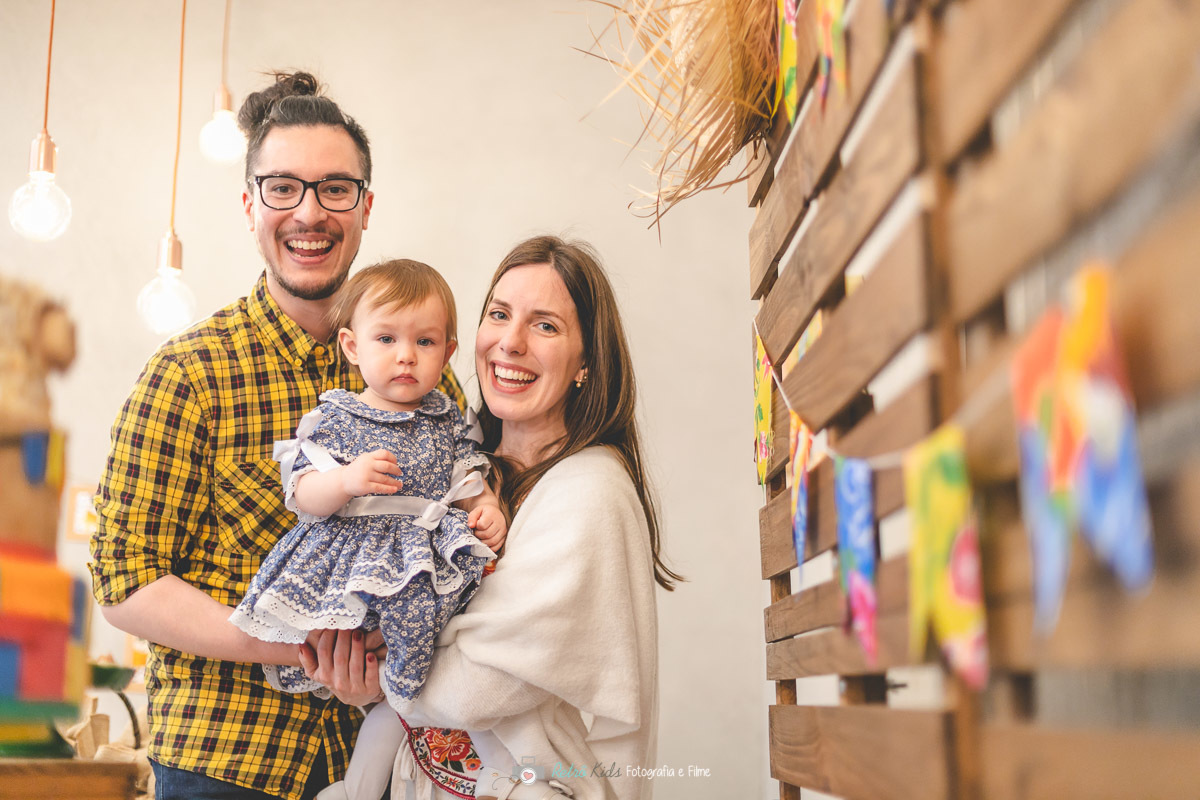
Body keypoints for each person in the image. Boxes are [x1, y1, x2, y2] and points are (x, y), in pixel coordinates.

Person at [90, 72, 464, 800]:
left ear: (364, 208)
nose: (309, 213)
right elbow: (122, 577)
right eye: (283, 188)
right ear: (250, 205)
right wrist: (297, 641)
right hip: (226, 759)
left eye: (335, 189)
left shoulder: (427, 377)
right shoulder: (188, 373)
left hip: (388, 756)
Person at [306, 236, 679, 800]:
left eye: (545, 326)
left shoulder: (590, 490)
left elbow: (480, 686)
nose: (510, 342)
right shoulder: (464, 470)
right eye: (499, 315)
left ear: (586, 362)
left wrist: (379, 663)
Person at [231, 259, 507, 709]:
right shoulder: (337, 417)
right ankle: (383, 696)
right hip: (348, 556)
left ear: (448, 351)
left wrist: (488, 506)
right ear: (352, 346)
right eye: (386, 339)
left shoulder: (446, 418)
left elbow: (466, 478)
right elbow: (302, 492)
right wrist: (344, 480)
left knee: (419, 622)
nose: (406, 355)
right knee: (342, 632)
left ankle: (406, 700)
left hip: (415, 558)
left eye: (425, 341)